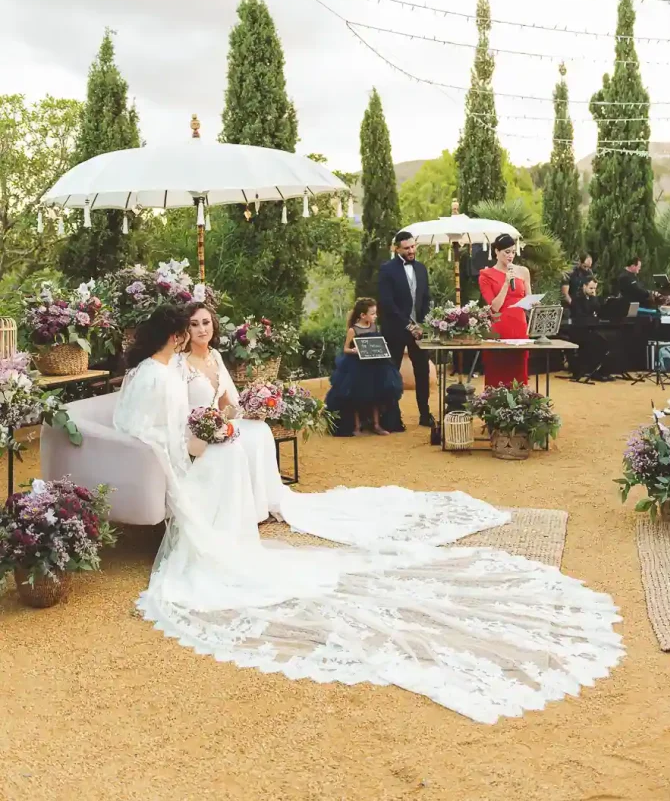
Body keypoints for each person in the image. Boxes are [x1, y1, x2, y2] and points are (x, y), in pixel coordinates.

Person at [113, 304, 623, 721]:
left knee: (241, 445)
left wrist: (214, 431)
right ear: (174, 337)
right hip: (183, 457)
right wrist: (204, 441)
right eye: (184, 331)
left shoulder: (156, 371)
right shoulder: (159, 376)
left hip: (195, 445)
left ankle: (242, 510)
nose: (189, 337)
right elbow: (157, 431)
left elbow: (179, 420)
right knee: (230, 455)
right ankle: (231, 519)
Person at [181, 301, 283, 522]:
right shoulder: (181, 363)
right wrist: (207, 428)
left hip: (218, 423)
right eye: (194, 324)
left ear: (213, 325)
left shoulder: (215, 355)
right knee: (237, 443)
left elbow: (227, 400)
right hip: (196, 431)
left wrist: (251, 409)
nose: (202, 329)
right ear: (186, 330)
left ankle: (261, 506)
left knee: (259, 430)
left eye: (206, 323)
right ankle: (242, 512)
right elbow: (177, 407)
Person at [377, 232, 433, 427]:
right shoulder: (387, 270)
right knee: (392, 373)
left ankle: (425, 414)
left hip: (419, 331)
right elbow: (387, 303)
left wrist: (423, 324)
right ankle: (392, 418)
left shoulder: (421, 269)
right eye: (406, 248)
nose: (411, 251)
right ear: (396, 249)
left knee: (423, 372)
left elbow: (426, 298)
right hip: (395, 330)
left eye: (413, 246)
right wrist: (409, 325)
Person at [325, 298, 403, 437]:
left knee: (377, 395)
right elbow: (345, 349)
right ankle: (355, 426)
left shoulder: (374, 327)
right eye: (372, 314)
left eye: (375, 313)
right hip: (357, 367)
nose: (375, 316)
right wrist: (354, 351)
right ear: (362, 315)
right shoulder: (353, 330)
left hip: (375, 365)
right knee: (355, 396)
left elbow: (376, 343)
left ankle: (376, 425)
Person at [478, 234, 531, 387]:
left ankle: (520, 407)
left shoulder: (523, 271)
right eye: (506, 252)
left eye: (513, 252)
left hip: (520, 326)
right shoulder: (486, 275)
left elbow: (528, 299)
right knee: (497, 372)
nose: (510, 256)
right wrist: (506, 284)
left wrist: (532, 303)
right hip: (499, 326)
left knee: (519, 373)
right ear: (496, 251)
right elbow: (494, 306)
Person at [569, 279, 612, 381]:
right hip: (578, 330)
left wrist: (594, 299)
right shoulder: (577, 299)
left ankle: (599, 370)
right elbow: (581, 315)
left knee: (606, 340)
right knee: (597, 342)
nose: (593, 290)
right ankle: (592, 370)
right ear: (584, 286)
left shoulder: (593, 299)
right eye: (591, 288)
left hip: (590, 328)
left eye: (594, 288)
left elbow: (599, 310)